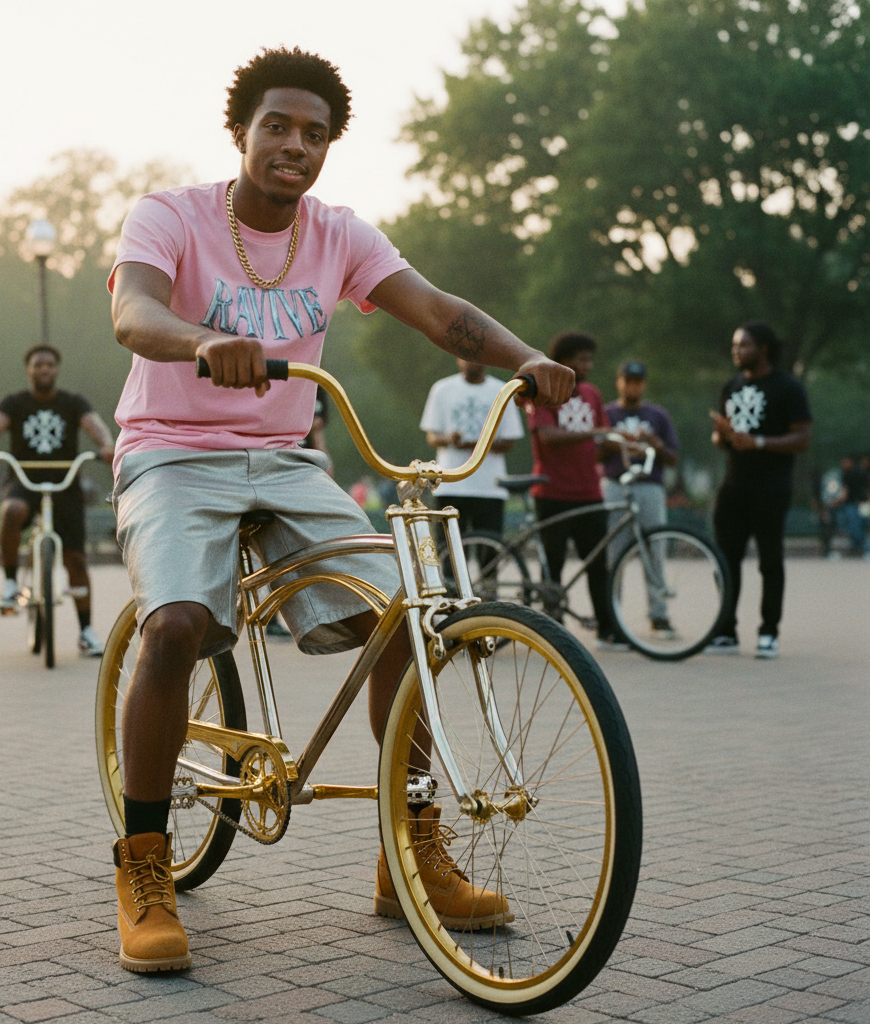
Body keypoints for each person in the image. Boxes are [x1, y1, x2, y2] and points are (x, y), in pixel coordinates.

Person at [105, 46, 574, 973]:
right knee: (176, 627)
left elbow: (442, 312)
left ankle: (409, 851)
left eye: (314, 135)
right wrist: (207, 342)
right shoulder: (169, 216)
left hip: (286, 459)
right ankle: (145, 863)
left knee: (407, 615)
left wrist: (525, 357)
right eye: (277, 126)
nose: (294, 145)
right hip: (171, 451)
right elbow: (134, 315)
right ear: (241, 132)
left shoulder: (341, 234)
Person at [0, 344, 116, 656]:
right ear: (29, 370)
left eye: (49, 364)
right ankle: (11, 584)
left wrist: (107, 444)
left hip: (65, 483)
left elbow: (95, 425)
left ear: (57, 369)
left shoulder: (73, 402)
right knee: (11, 509)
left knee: (75, 558)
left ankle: (86, 631)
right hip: (24, 480)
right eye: (38, 364)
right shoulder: (14, 402)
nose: (44, 369)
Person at [707, 321, 812, 658]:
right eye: (735, 345)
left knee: (769, 560)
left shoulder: (787, 387)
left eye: (744, 345)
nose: (737, 351)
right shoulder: (731, 386)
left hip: (771, 487)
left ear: (763, 349)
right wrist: (723, 436)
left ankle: (769, 632)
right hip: (734, 485)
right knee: (726, 560)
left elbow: (802, 437)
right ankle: (725, 632)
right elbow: (724, 442)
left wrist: (759, 442)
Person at [528, 331, 623, 649]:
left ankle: (608, 628)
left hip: (589, 491)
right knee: (552, 565)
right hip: (552, 492)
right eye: (582, 359)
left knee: (598, 564)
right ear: (564, 362)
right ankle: (553, 630)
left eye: (590, 359)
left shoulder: (592, 394)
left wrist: (619, 442)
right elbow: (548, 436)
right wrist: (592, 432)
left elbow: (601, 438)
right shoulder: (546, 392)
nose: (588, 365)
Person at [601, 360, 680, 636]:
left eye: (637, 381)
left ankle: (658, 615)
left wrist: (655, 444)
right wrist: (615, 441)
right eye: (627, 380)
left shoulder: (657, 416)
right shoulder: (607, 413)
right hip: (615, 484)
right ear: (618, 382)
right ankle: (612, 617)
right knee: (614, 553)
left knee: (654, 549)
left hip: (649, 486)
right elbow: (594, 454)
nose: (632, 386)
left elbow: (673, 458)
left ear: (643, 384)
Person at [420, 358, 525, 537]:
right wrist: (449, 439)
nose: (470, 363)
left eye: (475, 358)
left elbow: (508, 442)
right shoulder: (442, 389)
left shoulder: (501, 390)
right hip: (450, 483)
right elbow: (432, 436)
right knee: (450, 551)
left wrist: (476, 444)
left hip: (489, 486)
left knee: (489, 551)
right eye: (464, 357)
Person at [831, 454, 869, 558]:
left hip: (858, 505)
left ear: (851, 462)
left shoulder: (860, 474)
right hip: (851, 505)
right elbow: (844, 492)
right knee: (853, 528)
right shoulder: (846, 475)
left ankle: (865, 549)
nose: (843, 464)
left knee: (858, 528)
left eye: (845, 462)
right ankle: (858, 550)